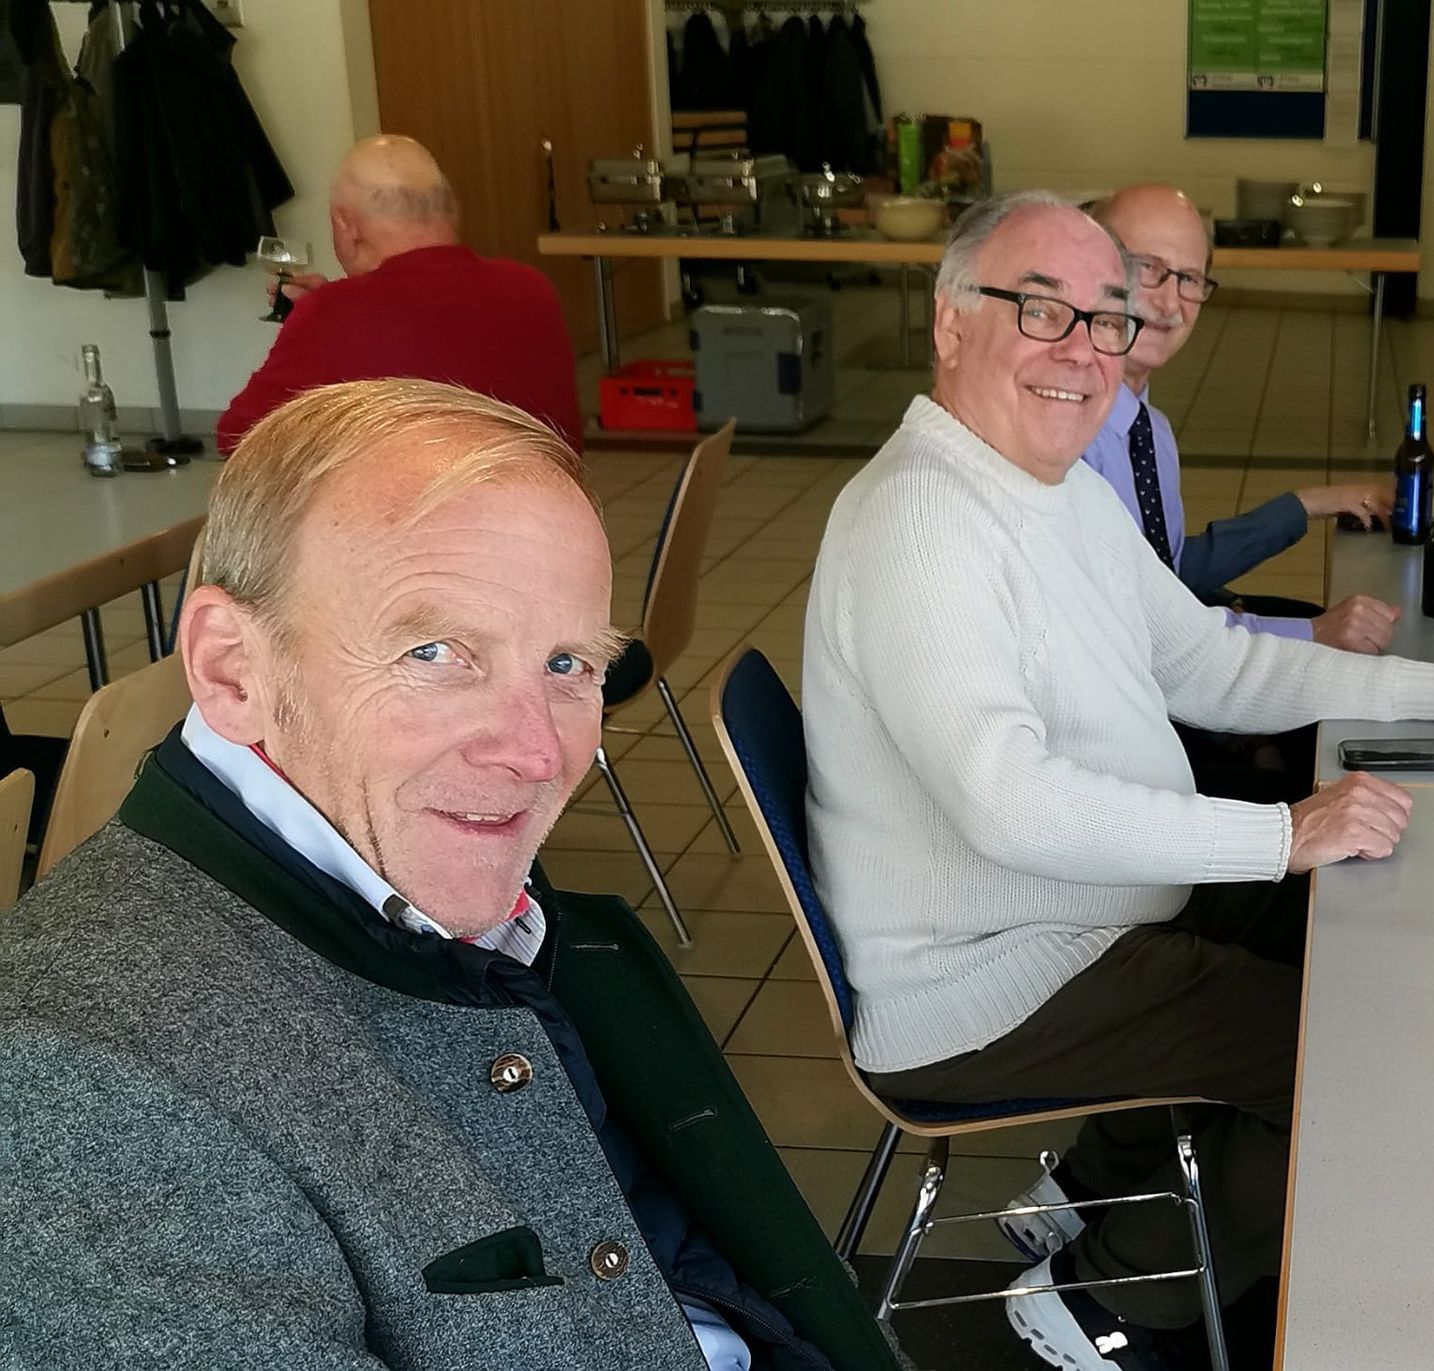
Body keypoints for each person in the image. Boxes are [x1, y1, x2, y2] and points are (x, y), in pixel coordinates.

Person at [0, 380, 900, 1371]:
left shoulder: (412, 865)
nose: (537, 751)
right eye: (436, 652)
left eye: (568, 664)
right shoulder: (82, 1095)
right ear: (231, 669)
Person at [801, 190, 1434, 1370]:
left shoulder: (1054, 487)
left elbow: (1210, 663)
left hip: (1076, 914)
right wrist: (1280, 835)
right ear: (950, 321)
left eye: (1106, 319)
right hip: (985, 981)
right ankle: (1103, 1302)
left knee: (1348, 943)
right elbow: (1009, 803)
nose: (1083, 350)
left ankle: (1102, 1188)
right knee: (1352, 1051)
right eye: (1040, 309)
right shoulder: (923, 524)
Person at [1081, 183, 1399, 656]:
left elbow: (1168, 573)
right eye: (1147, 268)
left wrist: (1307, 504)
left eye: (1189, 279)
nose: (1170, 304)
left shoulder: (1150, 430)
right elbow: (1142, 634)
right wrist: (1312, 633)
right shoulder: (1068, 440)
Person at [216, 136, 583, 454]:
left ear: (345, 225)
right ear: (450, 212)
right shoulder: (531, 288)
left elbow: (239, 436)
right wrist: (332, 308)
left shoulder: (335, 314)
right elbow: (440, 338)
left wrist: (321, 316)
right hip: (539, 499)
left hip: (421, 510)